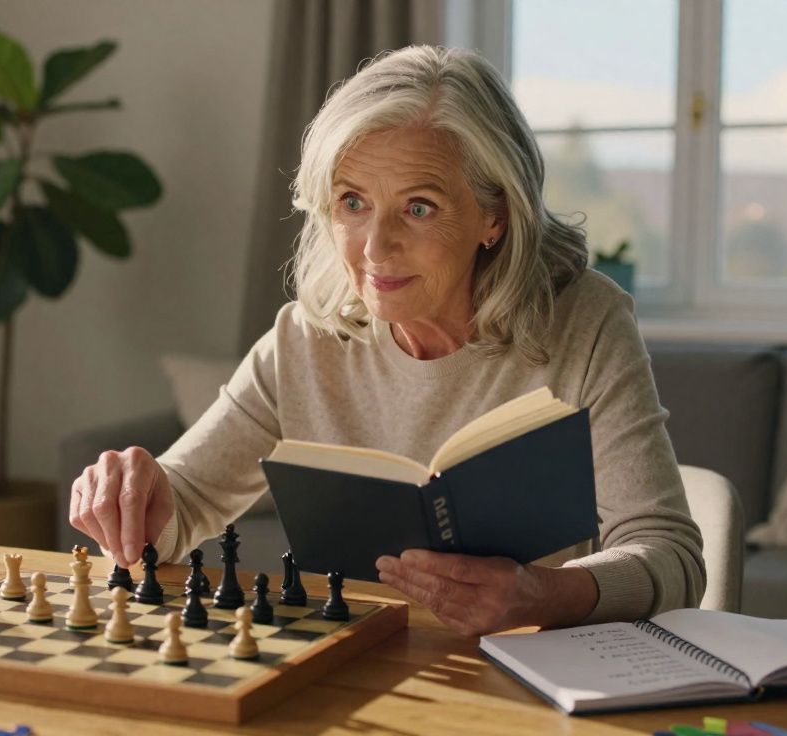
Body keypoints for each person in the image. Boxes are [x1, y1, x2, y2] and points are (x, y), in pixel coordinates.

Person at [69, 45, 705, 637]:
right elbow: (183, 503)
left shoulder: (584, 321)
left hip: (525, 677)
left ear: (495, 215)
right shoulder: (306, 337)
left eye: (419, 207)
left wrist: (542, 593)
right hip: (350, 669)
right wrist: (131, 497)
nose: (375, 247)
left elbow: (671, 555)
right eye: (352, 202)